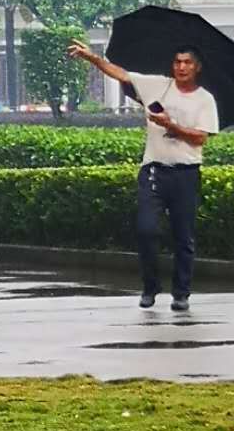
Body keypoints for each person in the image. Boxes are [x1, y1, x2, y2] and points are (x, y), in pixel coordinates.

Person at [67, 41, 218, 312]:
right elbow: (122, 74)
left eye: (187, 63)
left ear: (197, 67)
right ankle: (150, 286)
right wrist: (92, 58)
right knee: (146, 230)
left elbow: (200, 138)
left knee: (184, 237)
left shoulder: (204, 99)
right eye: (177, 62)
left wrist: (171, 125)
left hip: (186, 173)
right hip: (153, 170)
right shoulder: (158, 86)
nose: (181, 67)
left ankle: (181, 293)